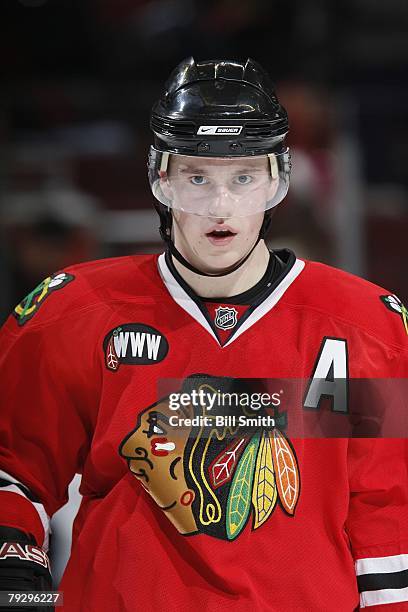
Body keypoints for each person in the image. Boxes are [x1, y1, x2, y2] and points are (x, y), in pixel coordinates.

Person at [0, 57, 407, 612]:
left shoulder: (367, 329)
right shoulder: (74, 313)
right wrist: (19, 588)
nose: (220, 206)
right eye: (197, 177)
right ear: (160, 177)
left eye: (244, 177)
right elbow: (13, 470)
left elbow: (386, 514)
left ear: (278, 180)